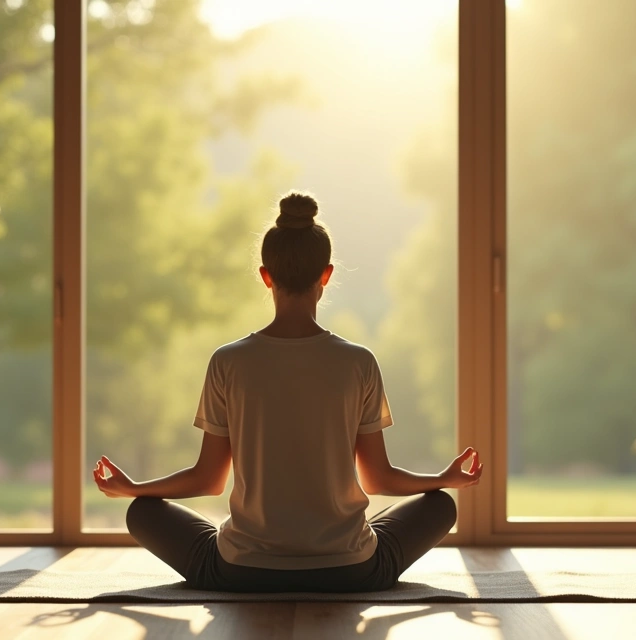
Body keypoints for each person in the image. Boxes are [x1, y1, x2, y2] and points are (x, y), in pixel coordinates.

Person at [92, 191, 483, 593]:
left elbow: (208, 479)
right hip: (350, 569)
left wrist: (135, 489)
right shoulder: (359, 362)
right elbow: (377, 478)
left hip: (243, 571)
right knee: (440, 505)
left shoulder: (228, 362)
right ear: (326, 275)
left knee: (142, 513)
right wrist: (443, 478)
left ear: (266, 276)